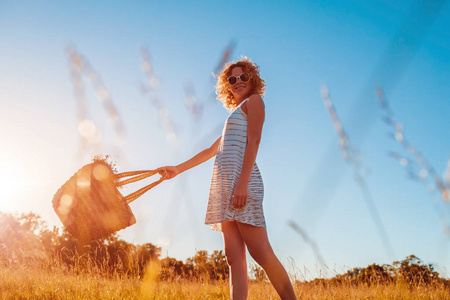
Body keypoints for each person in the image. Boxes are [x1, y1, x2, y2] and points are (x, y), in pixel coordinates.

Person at [158, 57, 297, 300]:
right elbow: (212, 150)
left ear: (252, 79)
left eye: (243, 76)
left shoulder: (254, 102)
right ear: (227, 85)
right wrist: (177, 169)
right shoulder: (233, 114)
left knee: (261, 253)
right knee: (233, 258)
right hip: (225, 188)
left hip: (242, 183)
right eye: (232, 79)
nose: (238, 81)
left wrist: (242, 183)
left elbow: (254, 141)